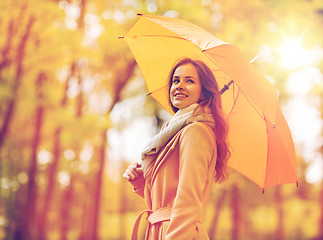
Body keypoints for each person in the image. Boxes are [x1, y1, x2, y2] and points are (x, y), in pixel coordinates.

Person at [123, 58, 230, 240]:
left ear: (204, 93)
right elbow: (166, 199)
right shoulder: (171, 132)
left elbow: (188, 201)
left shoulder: (196, 131)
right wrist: (141, 182)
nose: (180, 85)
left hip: (178, 233)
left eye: (190, 81)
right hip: (161, 231)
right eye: (176, 80)